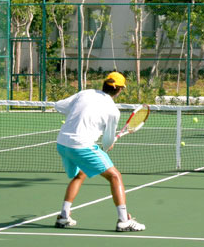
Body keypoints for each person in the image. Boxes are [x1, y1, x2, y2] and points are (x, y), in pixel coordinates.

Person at [53, 71, 145, 232]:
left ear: (104, 84)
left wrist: (78, 113)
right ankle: (124, 221)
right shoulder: (113, 111)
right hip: (81, 146)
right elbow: (107, 143)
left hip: (62, 143)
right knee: (115, 176)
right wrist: (111, 143)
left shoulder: (85, 93)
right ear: (119, 90)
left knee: (80, 174)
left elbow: (58, 105)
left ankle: (64, 216)